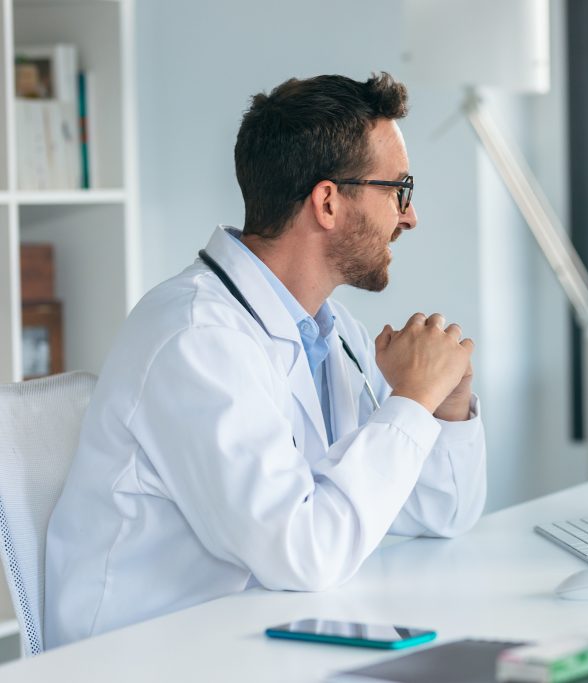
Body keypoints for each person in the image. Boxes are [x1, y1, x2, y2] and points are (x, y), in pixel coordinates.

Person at [44, 73, 487, 648]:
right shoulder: (195, 337)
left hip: (263, 637)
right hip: (147, 659)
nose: (410, 216)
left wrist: (443, 406)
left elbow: (439, 513)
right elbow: (305, 552)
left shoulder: (331, 332)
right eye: (398, 189)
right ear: (327, 202)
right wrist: (409, 401)